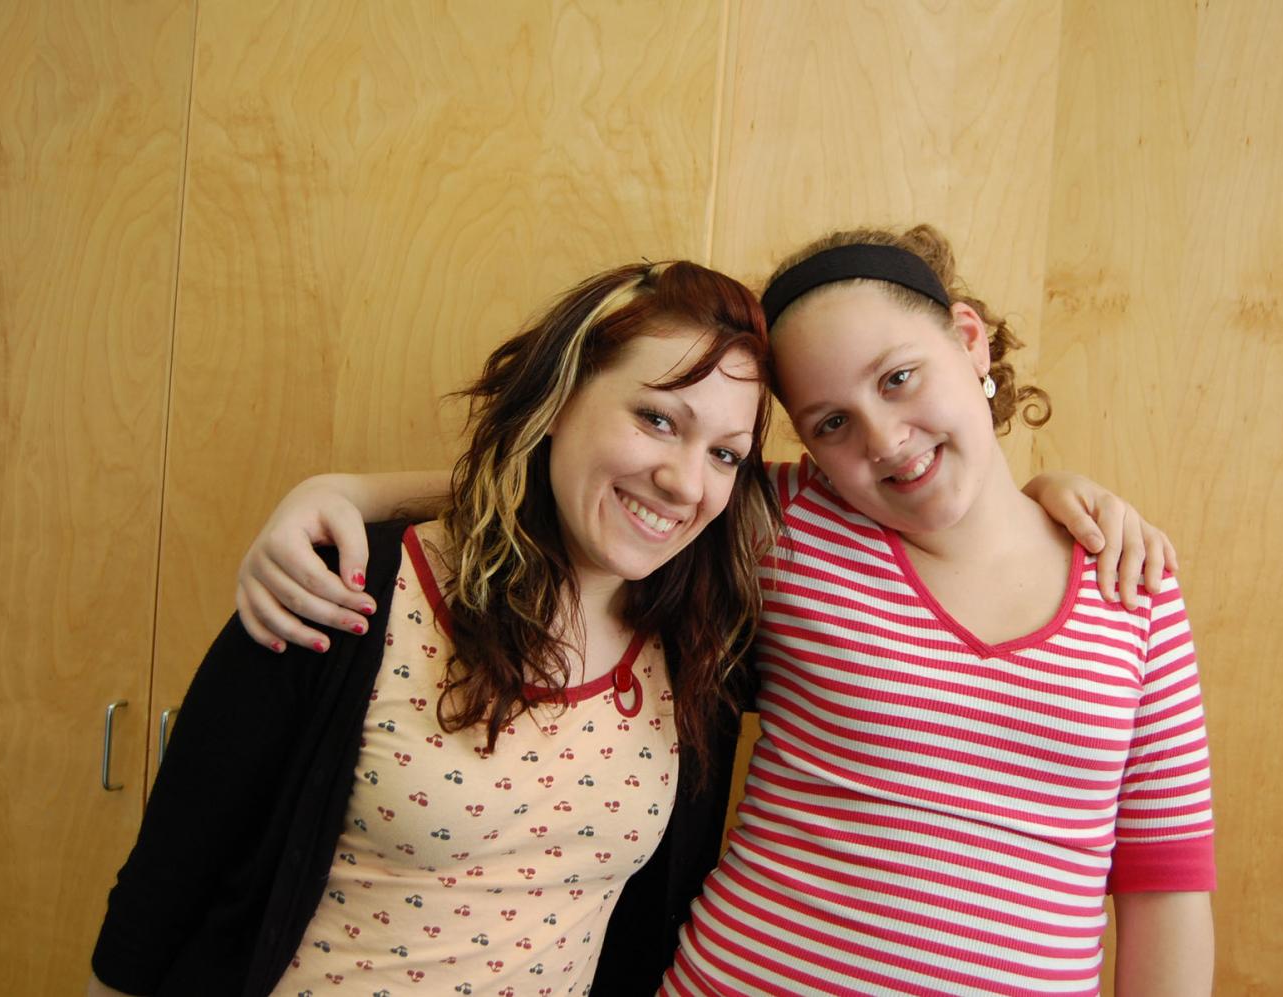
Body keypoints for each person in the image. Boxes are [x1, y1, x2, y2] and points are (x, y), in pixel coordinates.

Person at [230, 227, 1208, 994]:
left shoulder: (1130, 579)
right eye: (830, 423)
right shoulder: (787, 527)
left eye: (900, 378)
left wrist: (1057, 488)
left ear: (967, 340)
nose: (885, 438)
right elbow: (593, 490)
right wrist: (347, 491)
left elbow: (1165, 893)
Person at [88, 260, 782, 996]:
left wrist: (351, 487)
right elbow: (160, 895)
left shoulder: (699, 648)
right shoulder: (344, 587)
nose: (685, 481)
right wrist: (340, 494)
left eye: (725, 454)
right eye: (657, 418)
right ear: (559, 397)